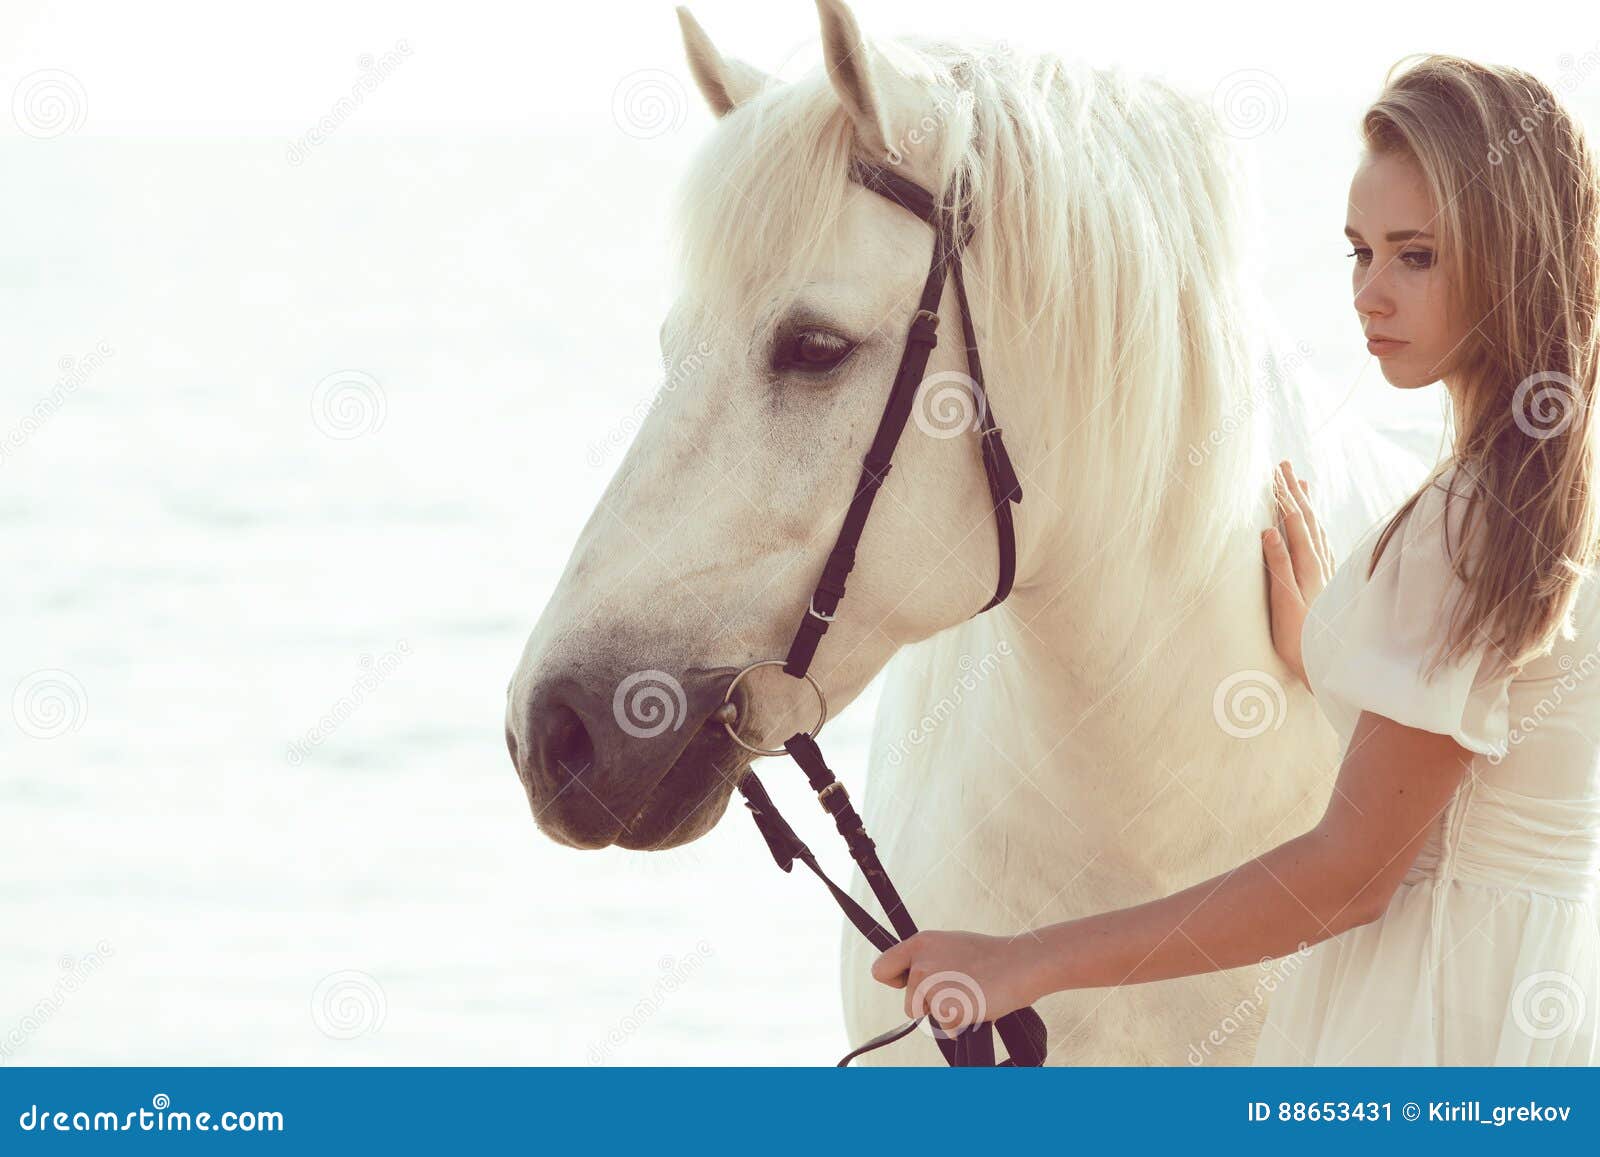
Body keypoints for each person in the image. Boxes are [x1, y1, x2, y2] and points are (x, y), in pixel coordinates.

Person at [870, 53, 1600, 1065]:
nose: (1368, 294)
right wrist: (1340, 663)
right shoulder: (1551, 497)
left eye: (1415, 256)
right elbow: (1493, 761)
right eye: (1357, 252)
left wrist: (1022, 959)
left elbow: (1349, 874)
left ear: (1509, 252)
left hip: (1425, 1024)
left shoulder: (1464, 523)